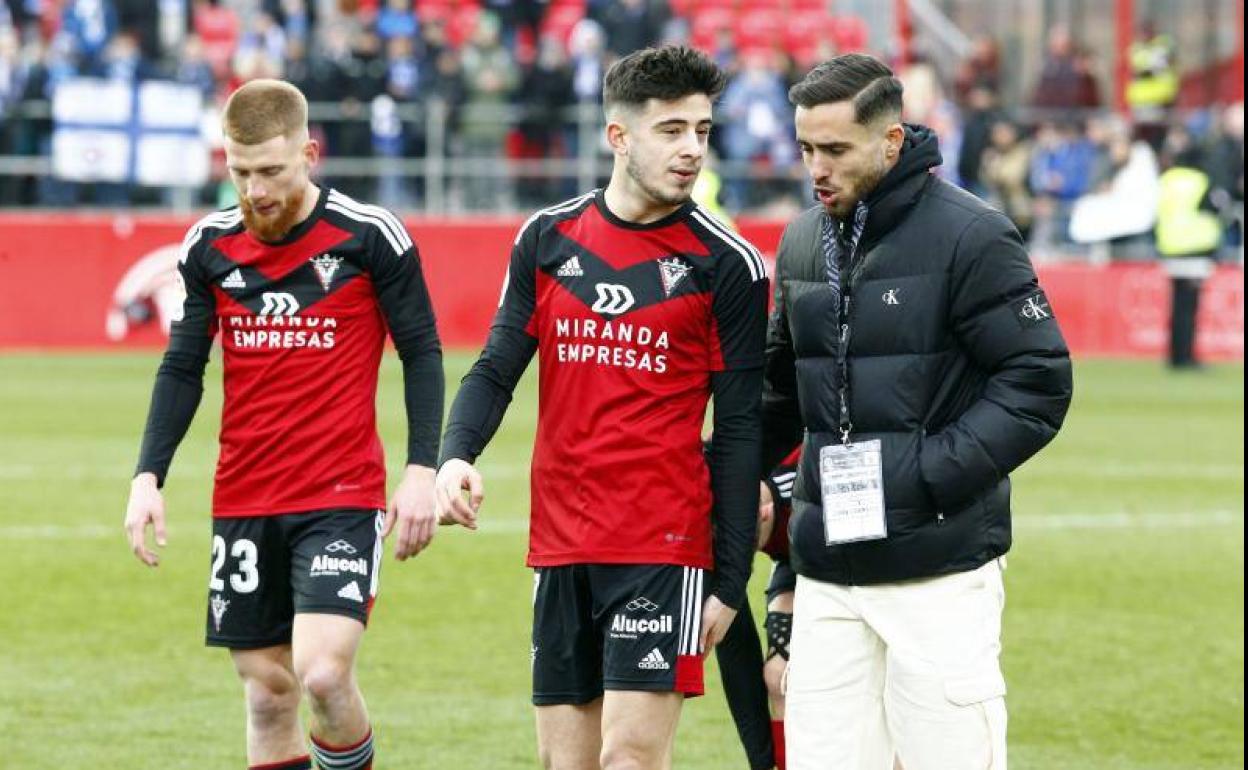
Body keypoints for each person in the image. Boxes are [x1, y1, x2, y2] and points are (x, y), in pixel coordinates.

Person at [434, 45, 769, 770]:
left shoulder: (728, 265)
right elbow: (496, 368)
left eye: (703, 131)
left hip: (664, 546)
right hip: (560, 544)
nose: (691, 149)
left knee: (630, 761)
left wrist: (731, 577)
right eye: (671, 130)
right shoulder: (548, 239)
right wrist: (454, 453)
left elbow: (740, 430)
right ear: (618, 137)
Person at [762, 54, 1073, 769]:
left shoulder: (973, 235)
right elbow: (782, 398)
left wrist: (925, 476)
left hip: (939, 571)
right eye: (807, 148)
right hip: (830, 573)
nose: (817, 168)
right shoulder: (802, 240)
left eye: (836, 150)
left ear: (891, 141)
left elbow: (1039, 380)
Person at [123, 79, 444, 770]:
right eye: (240, 172)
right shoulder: (209, 245)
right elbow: (183, 368)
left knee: (323, 674)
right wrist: (148, 477)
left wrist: (423, 470)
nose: (255, 189)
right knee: (269, 693)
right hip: (244, 497)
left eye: (271, 170)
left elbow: (421, 350)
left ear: (309, 153)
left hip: (341, 496)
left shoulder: (368, 236)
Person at [716, 446, 801, 770]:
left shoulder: (801, 487)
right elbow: (733, 646)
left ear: (766, 512)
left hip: (845, 561)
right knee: (780, 673)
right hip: (795, 564)